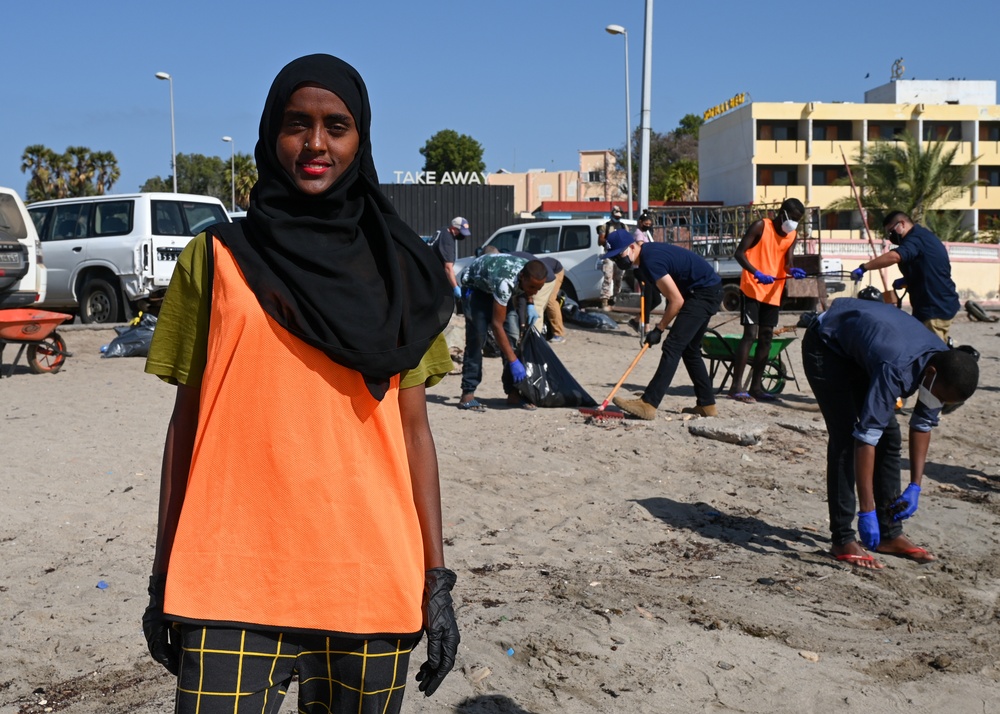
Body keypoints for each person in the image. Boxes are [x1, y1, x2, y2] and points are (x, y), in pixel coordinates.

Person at [141, 54, 460, 713]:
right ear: (270, 135)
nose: (316, 143)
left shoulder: (405, 276)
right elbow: (186, 425)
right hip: (226, 581)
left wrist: (435, 581)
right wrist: (160, 574)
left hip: (367, 578)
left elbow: (414, 432)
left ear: (360, 139)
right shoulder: (217, 258)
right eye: (297, 124)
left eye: (336, 126)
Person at [801, 298, 979, 570]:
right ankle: (842, 538)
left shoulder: (940, 365)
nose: (937, 403)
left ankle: (889, 534)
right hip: (827, 345)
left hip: (864, 349)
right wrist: (867, 510)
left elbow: (922, 424)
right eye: (941, 398)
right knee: (846, 438)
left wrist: (916, 485)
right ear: (930, 374)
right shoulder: (897, 368)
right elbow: (866, 438)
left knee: (890, 437)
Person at [605, 228, 724, 420]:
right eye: (614, 258)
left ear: (633, 246)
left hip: (704, 293)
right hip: (704, 291)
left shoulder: (650, 260)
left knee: (672, 346)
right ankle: (707, 405)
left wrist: (659, 329)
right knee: (690, 350)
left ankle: (649, 404)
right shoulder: (645, 258)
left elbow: (676, 301)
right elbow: (666, 296)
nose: (619, 260)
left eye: (620, 255)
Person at [728, 198, 807, 402]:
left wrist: (792, 270)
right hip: (752, 288)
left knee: (766, 338)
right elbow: (739, 254)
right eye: (794, 219)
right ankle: (736, 387)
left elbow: (787, 263)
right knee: (750, 335)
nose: (795, 223)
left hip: (773, 292)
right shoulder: (761, 226)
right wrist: (757, 272)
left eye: (799, 220)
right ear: (783, 214)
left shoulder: (792, 235)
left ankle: (756, 387)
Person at [850, 211, 960, 343]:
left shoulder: (916, 238)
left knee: (933, 352)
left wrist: (864, 268)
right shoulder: (923, 237)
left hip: (934, 306)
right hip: (937, 302)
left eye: (891, 231)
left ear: (902, 224)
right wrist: (907, 280)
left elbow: (895, 256)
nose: (891, 236)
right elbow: (927, 267)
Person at [458, 253, 548, 411]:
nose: (535, 291)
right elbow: (496, 325)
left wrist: (530, 303)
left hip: (495, 284)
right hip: (475, 288)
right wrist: (513, 361)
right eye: (532, 287)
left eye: (538, 288)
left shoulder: (529, 270)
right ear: (522, 277)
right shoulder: (505, 283)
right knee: (477, 339)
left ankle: (513, 393)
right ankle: (468, 394)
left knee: (512, 338)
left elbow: (529, 289)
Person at [430, 216, 472, 308]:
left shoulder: (443, 230)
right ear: (453, 229)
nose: (463, 235)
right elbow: (448, 268)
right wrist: (455, 287)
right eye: (461, 232)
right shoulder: (447, 241)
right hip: (432, 275)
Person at [629, 209, 659, 334]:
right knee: (648, 296)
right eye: (645, 222)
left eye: (649, 222)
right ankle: (646, 326)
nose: (648, 224)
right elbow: (643, 248)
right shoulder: (638, 233)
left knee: (657, 300)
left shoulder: (646, 234)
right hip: (640, 269)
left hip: (649, 269)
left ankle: (636, 320)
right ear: (640, 222)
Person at [597, 205, 627, 310]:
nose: (617, 219)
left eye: (619, 217)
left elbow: (627, 239)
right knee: (608, 277)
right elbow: (600, 240)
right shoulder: (606, 226)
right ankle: (605, 300)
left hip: (620, 256)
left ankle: (616, 298)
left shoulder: (623, 226)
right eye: (616, 216)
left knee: (619, 278)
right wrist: (608, 241)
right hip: (610, 255)